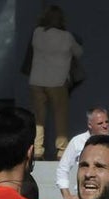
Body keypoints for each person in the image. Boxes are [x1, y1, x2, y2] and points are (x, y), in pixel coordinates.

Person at [27, 5, 83, 159]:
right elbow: (79, 52)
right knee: (60, 116)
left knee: (39, 118)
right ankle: (62, 150)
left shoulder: (37, 33)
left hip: (37, 81)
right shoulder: (67, 37)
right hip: (57, 82)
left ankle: (37, 150)